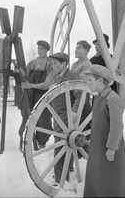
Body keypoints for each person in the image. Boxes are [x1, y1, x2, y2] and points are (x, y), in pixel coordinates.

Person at [83, 64, 125, 197]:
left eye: (90, 80)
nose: (87, 83)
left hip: (110, 147)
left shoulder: (113, 99)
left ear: (100, 80)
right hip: (98, 145)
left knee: (109, 179)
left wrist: (112, 148)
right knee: (97, 176)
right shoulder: (97, 97)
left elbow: (117, 126)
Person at [49, 52, 81, 186]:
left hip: (66, 116)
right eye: (52, 63)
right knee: (63, 143)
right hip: (57, 115)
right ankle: (65, 169)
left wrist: (74, 111)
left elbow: (80, 94)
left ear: (64, 64)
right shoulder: (56, 77)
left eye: (56, 63)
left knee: (60, 143)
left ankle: (60, 177)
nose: (53, 66)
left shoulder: (72, 75)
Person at [21, 40, 53, 149]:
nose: (40, 51)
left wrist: (33, 86)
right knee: (28, 115)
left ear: (47, 50)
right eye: (39, 48)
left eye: (42, 49)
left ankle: (42, 141)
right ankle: (27, 138)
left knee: (43, 118)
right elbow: (25, 78)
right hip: (31, 95)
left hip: (43, 95)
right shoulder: (31, 63)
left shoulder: (50, 64)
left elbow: (47, 84)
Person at [71, 40, 92, 158]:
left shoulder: (88, 65)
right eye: (76, 47)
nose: (76, 49)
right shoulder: (75, 64)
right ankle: (80, 151)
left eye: (79, 48)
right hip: (73, 97)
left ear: (85, 51)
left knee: (84, 125)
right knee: (79, 125)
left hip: (82, 98)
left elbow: (81, 80)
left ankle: (84, 151)